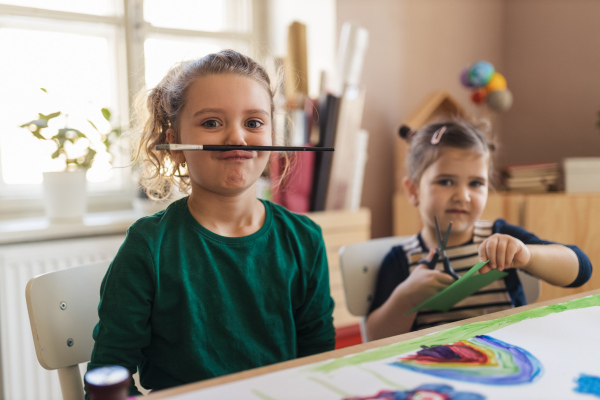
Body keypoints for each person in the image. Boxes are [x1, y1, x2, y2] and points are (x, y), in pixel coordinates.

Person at [86, 49, 336, 397]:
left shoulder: (304, 240)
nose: (237, 138)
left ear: (272, 136)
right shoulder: (148, 247)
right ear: (174, 142)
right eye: (212, 123)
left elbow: (320, 363)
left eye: (253, 123)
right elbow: (110, 374)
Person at [366, 118, 592, 341]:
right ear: (413, 190)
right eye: (445, 181)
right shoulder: (401, 260)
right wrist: (405, 298)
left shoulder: (502, 238)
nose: (462, 196)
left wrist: (528, 256)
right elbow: (374, 338)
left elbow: (581, 270)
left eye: (476, 183)